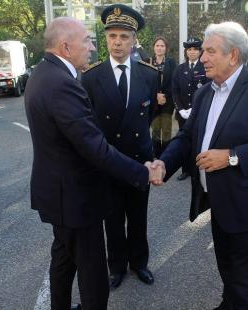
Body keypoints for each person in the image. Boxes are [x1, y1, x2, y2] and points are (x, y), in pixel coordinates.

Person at [151, 21, 248, 309]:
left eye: (209, 51)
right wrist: (164, 163)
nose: (202, 57)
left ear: (233, 56)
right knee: (228, 268)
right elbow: (188, 136)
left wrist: (231, 155)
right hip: (219, 202)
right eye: (203, 51)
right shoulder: (206, 92)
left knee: (246, 278)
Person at [24, 17, 162, 310]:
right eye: (87, 40)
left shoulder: (43, 73)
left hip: (59, 193)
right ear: (65, 45)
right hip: (75, 197)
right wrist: (141, 171)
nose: (92, 46)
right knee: (92, 271)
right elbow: (94, 145)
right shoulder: (64, 84)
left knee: (63, 259)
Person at [81, 4, 158, 290]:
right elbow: (89, 123)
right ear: (106, 39)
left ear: (133, 40)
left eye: (124, 36)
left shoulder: (149, 75)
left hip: (139, 160)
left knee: (138, 217)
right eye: (112, 35)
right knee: (112, 219)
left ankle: (140, 263)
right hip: (108, 162)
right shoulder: (90, 77)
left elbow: (147, 118)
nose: (117, 42)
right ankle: (117, 266)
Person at [171, 37, 210, 181]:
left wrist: (195, 108)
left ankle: (197, 168)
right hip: (183, 114)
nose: (192, 52)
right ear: (186, 52)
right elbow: (174, 91)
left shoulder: (205, 67)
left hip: (199, 112)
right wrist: (180, 109)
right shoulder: (179, 69)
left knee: (198, 141)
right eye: (189, 49)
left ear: (200, 51)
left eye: (195, 49)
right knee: (184, 141)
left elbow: (208, 90)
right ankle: (185, 170)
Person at [149, 36, 177, 157]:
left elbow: (173, 81)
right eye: (157, 45)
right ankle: (156, 153)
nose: (160, 48)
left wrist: (164, 95)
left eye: (162, 46)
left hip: (167, 101)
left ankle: (165, 154)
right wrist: (156, 95)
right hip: (153, 100)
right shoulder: (148, 61)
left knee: (166, 128)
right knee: (155, 128)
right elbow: (145, 81)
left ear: (166, 48)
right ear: (154, 47)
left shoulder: (171, 62)